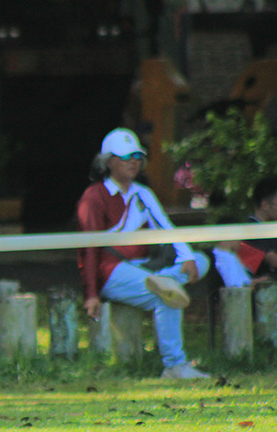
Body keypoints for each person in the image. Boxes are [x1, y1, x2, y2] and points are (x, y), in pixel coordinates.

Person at [77, 127, 211, 379]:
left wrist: (187, 258)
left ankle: (166, 282)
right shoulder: (93, 196)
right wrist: (91, 293)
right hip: (112, 273)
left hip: (144, 268)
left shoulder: (143, 193)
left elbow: (166, 229)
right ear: (109, 161)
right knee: (166, 296)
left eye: (137, 156)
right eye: (126, 157)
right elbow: (89, 248)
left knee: (201, 260)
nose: (134, 162)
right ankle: (174, 365)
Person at [244, 176, 277, 326]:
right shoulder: (251, 228)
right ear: (264, 205)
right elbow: (272, 259)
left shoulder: (272, 228)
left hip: (275, 283)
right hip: (260, 286)